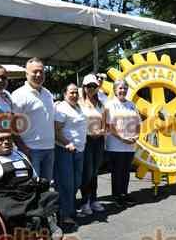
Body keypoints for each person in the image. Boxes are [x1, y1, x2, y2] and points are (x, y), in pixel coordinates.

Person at [11, 58, 55, 183]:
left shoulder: (47, 93)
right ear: (26, 74)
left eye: (41, 72)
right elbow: (12, 123)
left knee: (46, 187)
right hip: (31, 149)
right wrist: (22, 147)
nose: (38, 75)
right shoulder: (18, 95)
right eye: (35, 72)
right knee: (32, 186)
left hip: (49, 148)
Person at [54, 84, 87, 225]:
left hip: (79, 150)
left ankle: (71, 210)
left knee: (76, 182)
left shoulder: (78, 107)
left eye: (76, 93)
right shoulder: (61, 108)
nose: (74, 95)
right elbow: (56, 130)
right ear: (64, 94)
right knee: (65, 184)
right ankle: (64, 214)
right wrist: (67, 143)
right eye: (71, 93)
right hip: (65, 150)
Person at [105, 79, 141, 206]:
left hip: (130, 145)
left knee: (126, 171)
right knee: (117, 172)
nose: (123, 90)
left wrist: (136, 136)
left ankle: (124, 194)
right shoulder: (110, 105)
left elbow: (138, 122)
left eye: (125, 88)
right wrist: (122, 138)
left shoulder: (132, 105)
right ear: (115, 90)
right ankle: (116, 196)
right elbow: (109, 125)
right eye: (120, 88)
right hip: (115, 145)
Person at [79, 74, 106, 214]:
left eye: (94, 86)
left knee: (95, 171)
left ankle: (94, 199)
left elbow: (104, 124)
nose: (91, 88)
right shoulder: (79, 103)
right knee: (87, 171)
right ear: (83, 87)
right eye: (88, 86)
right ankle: (85, 202)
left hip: (99, 140)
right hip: (86, 140)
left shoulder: (101, 104)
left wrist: (101, 132)